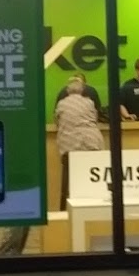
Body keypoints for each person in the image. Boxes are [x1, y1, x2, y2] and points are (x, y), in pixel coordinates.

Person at [54, 80, 104, 211]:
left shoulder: (61, 104)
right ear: (82, 91)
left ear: (67, 91)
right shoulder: (89, 102)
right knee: (94, 178)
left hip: (69, 148)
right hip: (92, 143)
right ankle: (96, 207)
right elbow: (95, 117)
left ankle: (63, 209)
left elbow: (57, 121)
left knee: (68, 179)